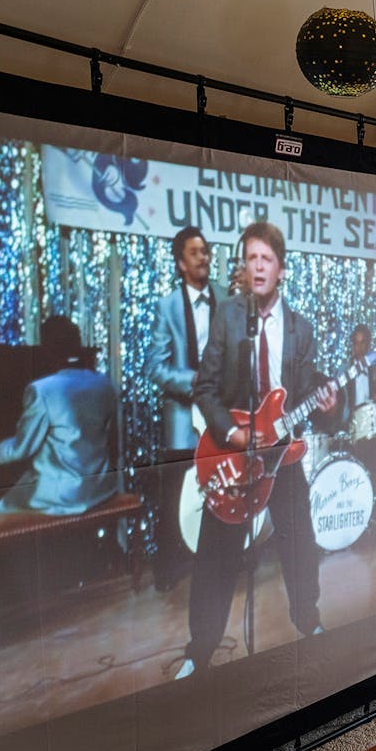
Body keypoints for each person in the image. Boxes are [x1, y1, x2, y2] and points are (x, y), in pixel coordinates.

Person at [176, 221, 335, 679]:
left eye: (267, 259)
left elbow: (306, 397)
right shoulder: (228, 317)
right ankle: (198, 652)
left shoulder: (300, 330)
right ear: (243, 268)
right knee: (214, 558)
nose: (258, 266)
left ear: (281, 270)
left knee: (301, 544)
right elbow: (204, 389)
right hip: (233, 457)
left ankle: (310, 622)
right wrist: (235, 434)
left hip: (281, 457)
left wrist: (328, 402)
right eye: (251, 258)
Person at [149, 226, 225, 590]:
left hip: (219, 418)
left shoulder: (226, 299)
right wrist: (193, 381)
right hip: (181, 421)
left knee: (222, 489)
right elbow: (155, 368)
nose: (204, 257)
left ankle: (221, 563)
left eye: (206, 251)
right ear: (181, 263)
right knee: (175, 496)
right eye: (195, 253)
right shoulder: (166, 306)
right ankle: (168, 571)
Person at [0, 315, 119, 516]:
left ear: (46, 350)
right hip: (100, 488)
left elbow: (21, 449)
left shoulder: (41, 390)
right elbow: (109, 439)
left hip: (61, 496)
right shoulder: (104, 384)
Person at [338, 323, 376, 441]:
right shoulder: (344, 371)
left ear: (368, 345)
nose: (358, 348)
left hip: (372, 425)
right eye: (356, 343)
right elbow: (340, 405)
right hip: (350, 427)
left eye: (362, 343)